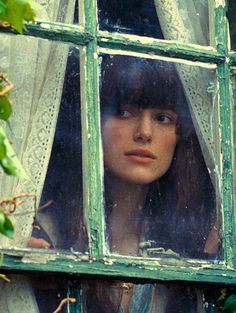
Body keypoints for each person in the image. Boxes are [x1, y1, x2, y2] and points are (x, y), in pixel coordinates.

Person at [30, 54, 220, 313]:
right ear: (91, 121)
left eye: (162, 118)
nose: (144, 132)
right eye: (124, 112)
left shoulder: (190, 244)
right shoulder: (42, 230)